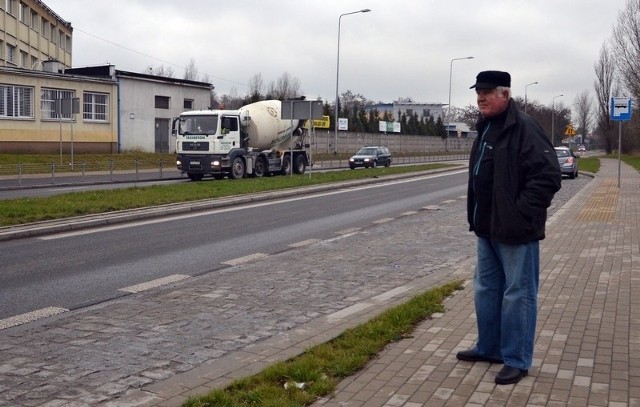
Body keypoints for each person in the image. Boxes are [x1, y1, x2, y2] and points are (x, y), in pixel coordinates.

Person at [456, 70, 561, 385]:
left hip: (516, 232)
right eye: (478, 92)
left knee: (518, 295)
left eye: (487, 92)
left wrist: (520, 213)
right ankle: (489, 348)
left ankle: (516, 359)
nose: (480, 97)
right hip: (486, 229)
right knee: (486, 291)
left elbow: (548, 177)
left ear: (505, 94)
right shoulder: (486, 128)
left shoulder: (524, 128)